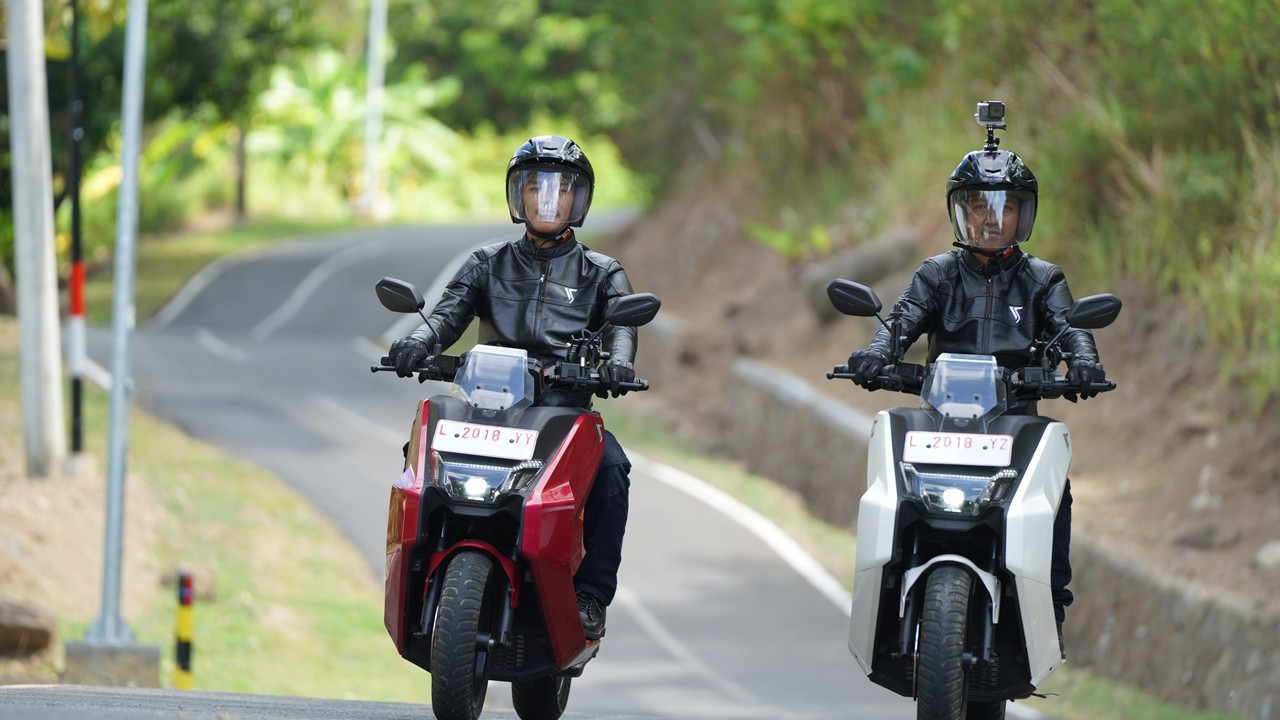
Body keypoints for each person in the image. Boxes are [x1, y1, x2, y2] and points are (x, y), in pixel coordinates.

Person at [844, 118, 1107, 630]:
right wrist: (876, 354)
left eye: (1005, 206)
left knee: (1056, 493)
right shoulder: (936, 274)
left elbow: (1072, 328)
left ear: (1022, 214)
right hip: (942, 424)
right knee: (890, 484)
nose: (992, 218)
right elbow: (899, 323)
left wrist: (1084, 363)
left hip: (1015, 422)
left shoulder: (1042, 278)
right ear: (963, 212)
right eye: (981, 206)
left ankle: (1049, 605)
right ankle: (886, 585)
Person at [386, 135, 637, 640]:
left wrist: (617, 366)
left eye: (560, 188)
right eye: (535, 186)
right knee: (420, 444)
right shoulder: (486, 262)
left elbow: (622, 331)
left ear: (577, 200)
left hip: (563, 418)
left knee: (612, 468)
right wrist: (414, 343)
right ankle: (413, 569)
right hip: (486, 409)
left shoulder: (603, 274)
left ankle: (589, 596)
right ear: (518, 195)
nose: (547, 197)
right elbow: (445, 315)